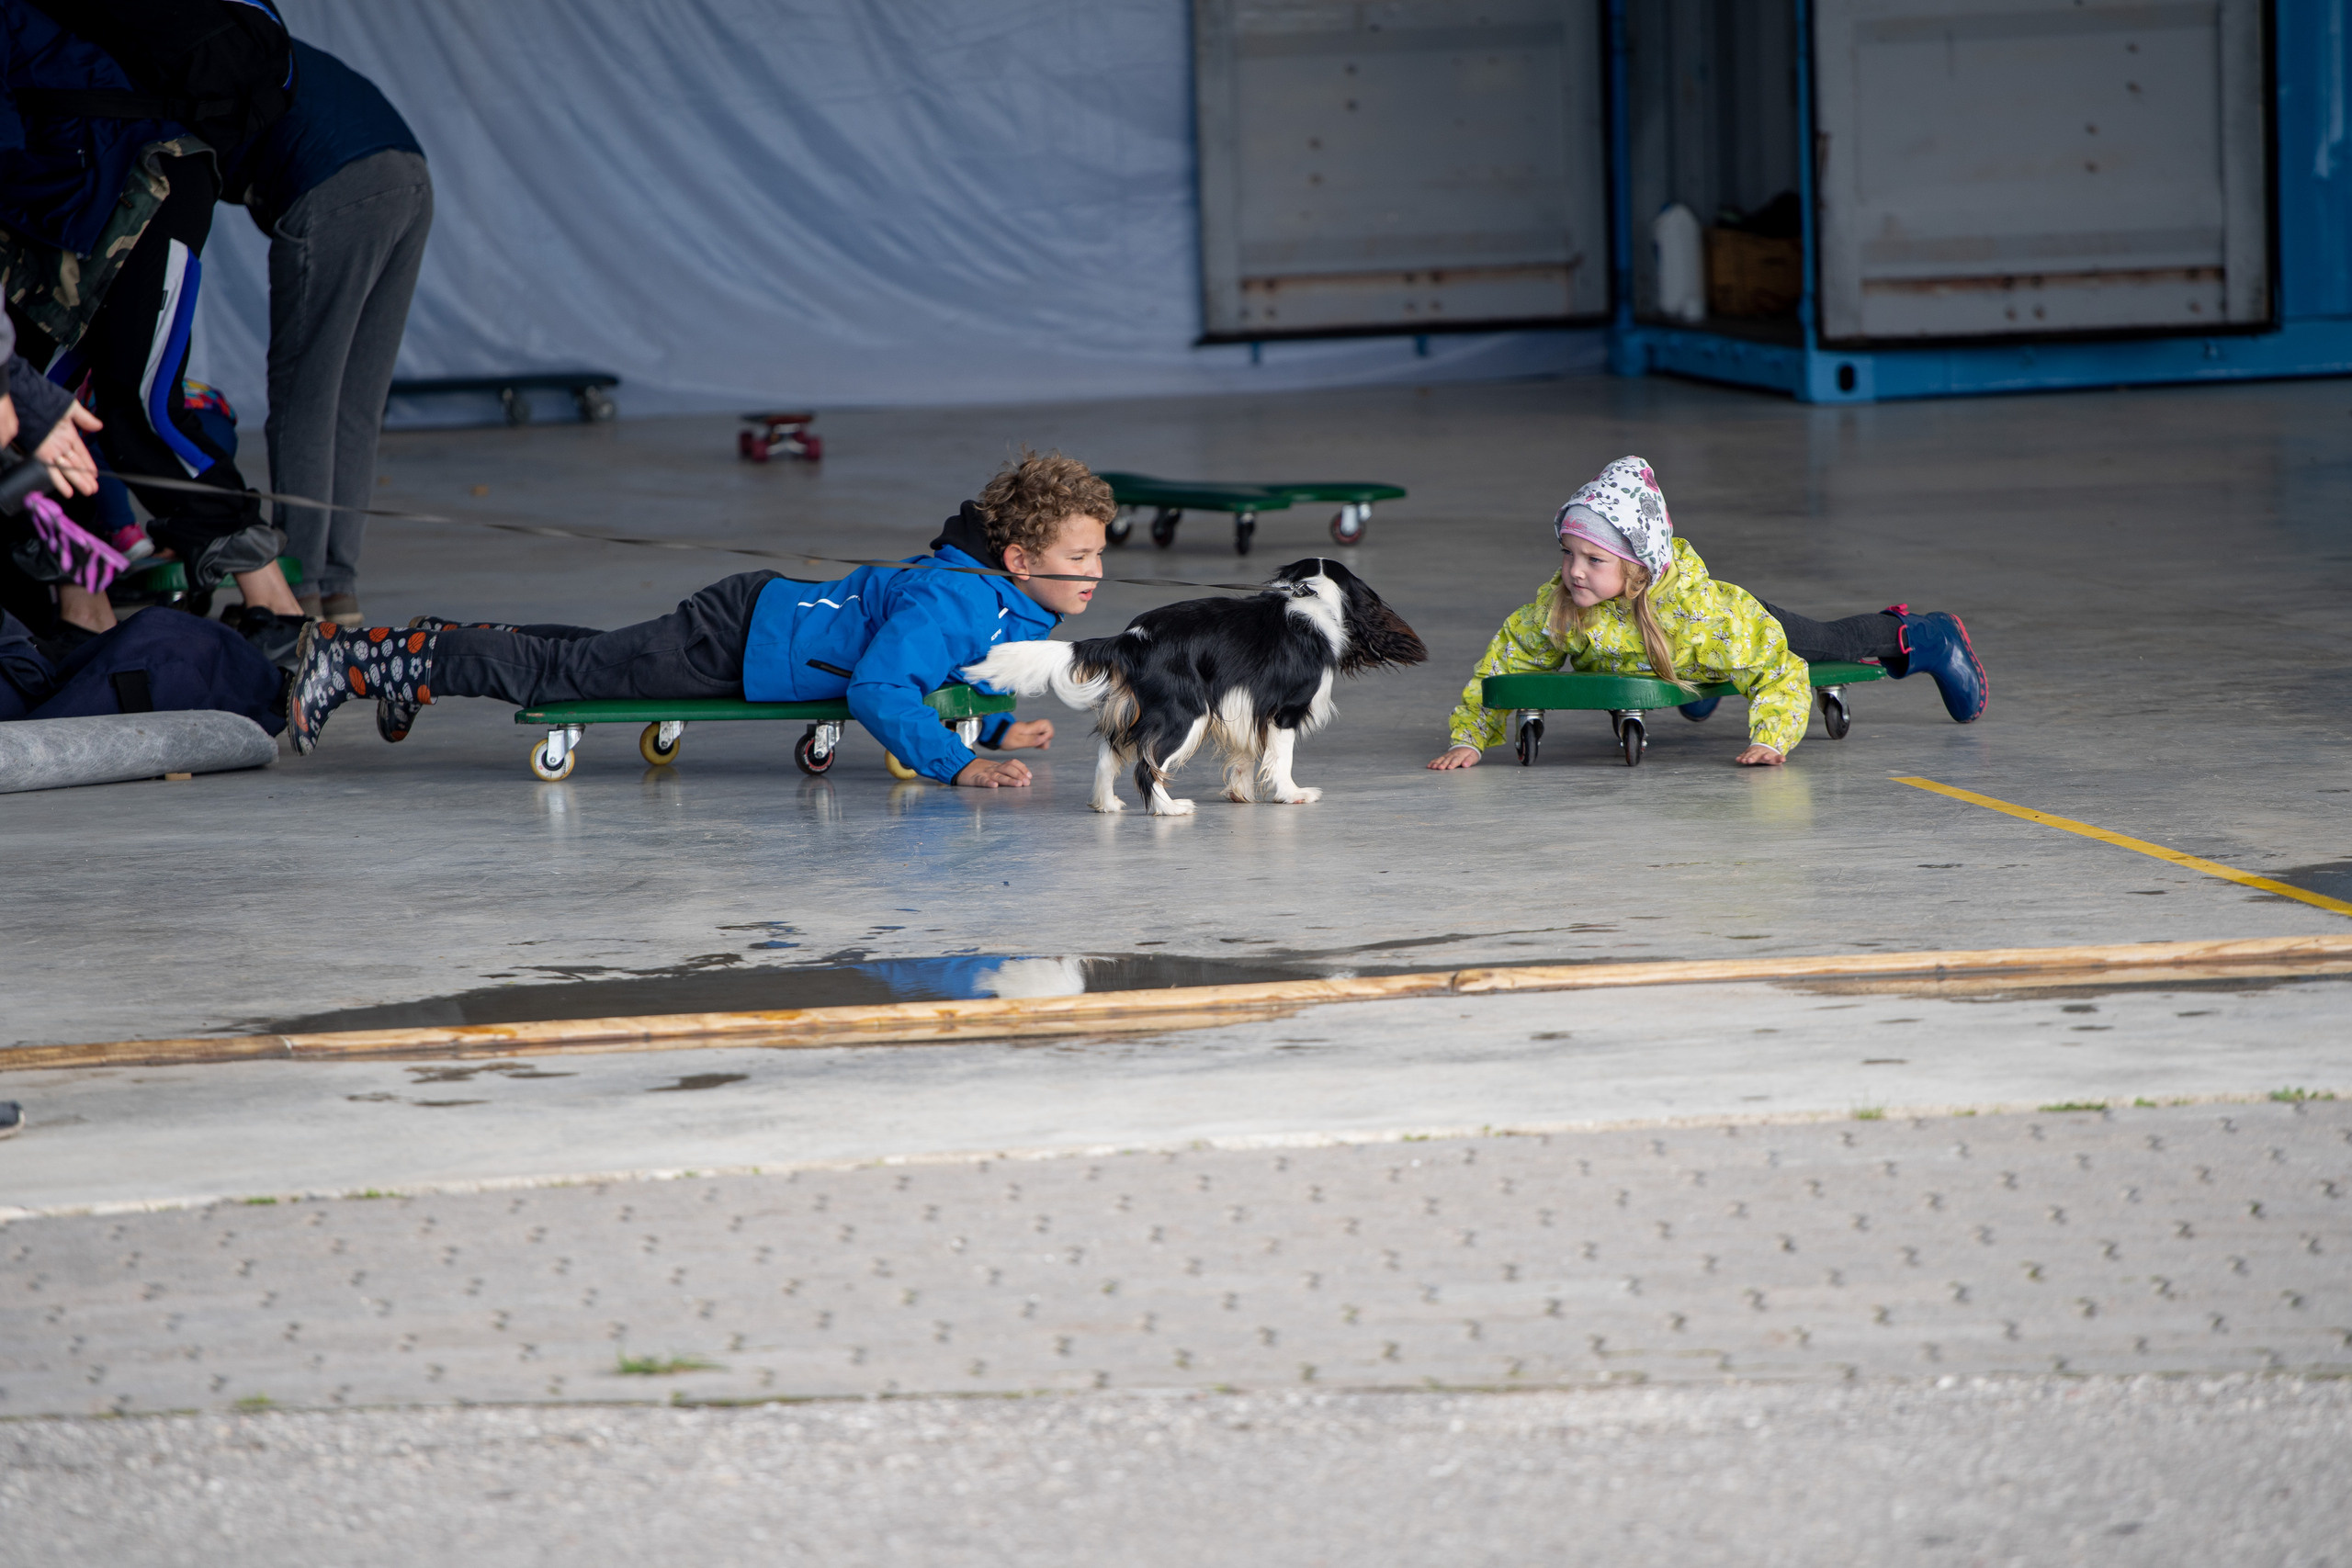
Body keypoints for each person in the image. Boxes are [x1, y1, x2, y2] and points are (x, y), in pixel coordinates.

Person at [288, 452, 1113, 785]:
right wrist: (955, 766)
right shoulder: (954, 598)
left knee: (593, 660)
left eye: (1100, 556)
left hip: (761, 625)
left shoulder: (1007, 605)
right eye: (1078, 559)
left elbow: (959, 675)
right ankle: (356, 657)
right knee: (563, 680)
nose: (1096, 575)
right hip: (740, 642)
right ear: (1017, 559)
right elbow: (881, 685)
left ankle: (433, 646)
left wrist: (996, 731)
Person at [0, 0, 305, 647]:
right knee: (41, 416)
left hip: (149, 184)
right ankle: (86, 615)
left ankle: (277, 610)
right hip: (65, 215)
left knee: (142, 405)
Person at [1429, 456, 1986, 770]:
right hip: (1674, 646)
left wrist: (1772, 736)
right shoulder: (1564, 605)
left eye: (1594, 559)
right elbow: (1507, 662)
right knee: (1690, 659)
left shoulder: (1707, 619)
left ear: (1638, 568)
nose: (1575, 571)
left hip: (1746, 625)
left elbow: (1777, 668)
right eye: (1568, 553)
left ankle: (1928, 636)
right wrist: (1470, 737)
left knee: (1831, 643)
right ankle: (1689, 681)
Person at [220, 38, 432, 625]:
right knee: (356, 404)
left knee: (306, 398)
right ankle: (339, 591)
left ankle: (301, 593)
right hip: (410, 176)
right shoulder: (255, 36)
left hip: (336, 182)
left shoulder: (197, 55)